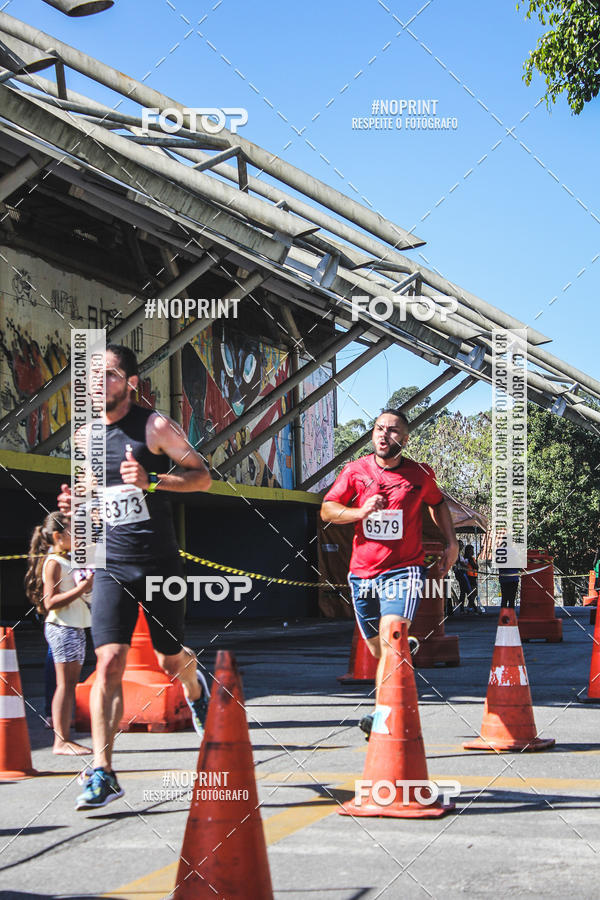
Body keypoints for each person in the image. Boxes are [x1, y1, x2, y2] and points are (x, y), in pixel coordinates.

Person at [58, 344, 212, 810]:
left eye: (107, 374)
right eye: (92, 374)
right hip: (110, 564)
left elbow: (202, 477)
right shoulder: (84, 437)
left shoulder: (156, 427)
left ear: (130, 382)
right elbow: (90, 499)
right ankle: (103, 772)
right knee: (107, 662)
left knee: (169, 658)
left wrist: (153, 481)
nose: (97, 382)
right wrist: (73, 511)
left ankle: (196, 691)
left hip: (158, 562)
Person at [320, 409, 458, 738]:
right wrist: (359, 511)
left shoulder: (419, 475)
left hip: (404, 569)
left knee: (391, 632)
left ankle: (381, 714)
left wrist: (451, 542)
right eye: (379, 428)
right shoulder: (355, 471)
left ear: (405, 439)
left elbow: (437, 504)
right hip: (362, 573)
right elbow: (327, 509)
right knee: (379, 649)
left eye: (393, 430)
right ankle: (399, 675)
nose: (384, 434)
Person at [25, 511, 94, 756]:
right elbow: (50, 601)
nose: (78, 536)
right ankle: (61, 741)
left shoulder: (67, 559)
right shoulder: (54, 562)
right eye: (73, 532)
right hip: (63, 627)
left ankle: (64, 737)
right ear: (57, 536)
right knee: (64, 686)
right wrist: (82, 588)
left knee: (69, 685)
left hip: (74, 626)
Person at [451, 539, 470, 615]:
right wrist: (464, 563)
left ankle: (462, 608)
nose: (461, 547)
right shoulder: (456, 555)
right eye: (460, 545)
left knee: (463, 591)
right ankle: (471, 607)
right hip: (461, 574)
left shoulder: (458, 554)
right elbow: (460, 563)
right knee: (468, 590)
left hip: (461, 573)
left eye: (462, 545)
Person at [463, 544, 483, 614]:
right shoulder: (469, 559)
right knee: (473, 593)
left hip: (472, 576)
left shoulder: (470, 558)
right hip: (470, 577)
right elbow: (475, 566)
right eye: (472, 550)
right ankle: (471, 607)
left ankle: (471, 607)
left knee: (473, 593)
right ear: (468, 551)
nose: (473, 552)